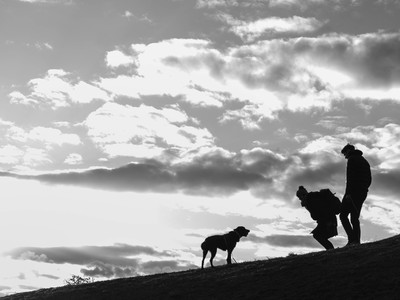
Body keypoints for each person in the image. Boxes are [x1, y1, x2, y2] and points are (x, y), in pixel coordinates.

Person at [340, 144, 372, 246]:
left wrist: (348, 194)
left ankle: (352, 240)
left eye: (345, 153)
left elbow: (350, 178)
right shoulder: (363, 160)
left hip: (353, 192)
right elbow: (369, 179)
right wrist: (364, 189)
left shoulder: (352, 159)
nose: (345, 156)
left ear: (349, 151)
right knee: (354, 217)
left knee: (343, 215)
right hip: (362, 192)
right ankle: (355, 241)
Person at [296, 186, 338, 250]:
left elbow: (319, 213)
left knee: (318, 235)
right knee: (319, 235)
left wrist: (328, 222)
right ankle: (330, 250)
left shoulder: (311, 200)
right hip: (328, 220)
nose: (299, 199)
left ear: (302, 195)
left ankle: (331, 250)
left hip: (327, 221)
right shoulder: (312, 198)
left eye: (299, 197)